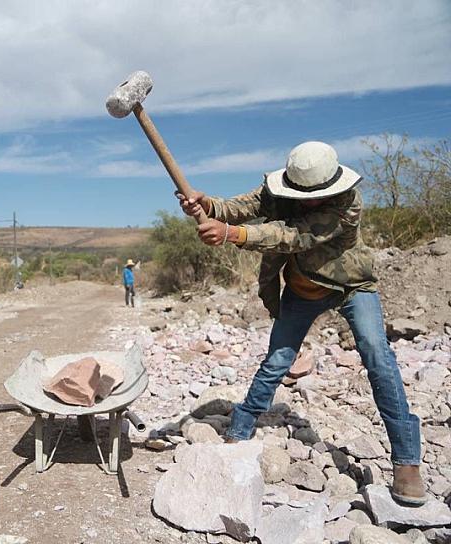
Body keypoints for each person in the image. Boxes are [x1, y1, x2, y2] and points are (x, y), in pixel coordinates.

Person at [178, 141, 426, 505]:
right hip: (300, 289)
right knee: (277, 360)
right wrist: (208, 205)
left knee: (377, 355)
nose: (308, 200)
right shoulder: (282, 189)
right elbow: (243, 207)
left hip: (350, 285)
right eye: (302, 196)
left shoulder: (347, 204)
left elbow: (294, 235)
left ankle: (407, 461)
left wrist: (232, 234)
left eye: (315, 196)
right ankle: (243, 425)